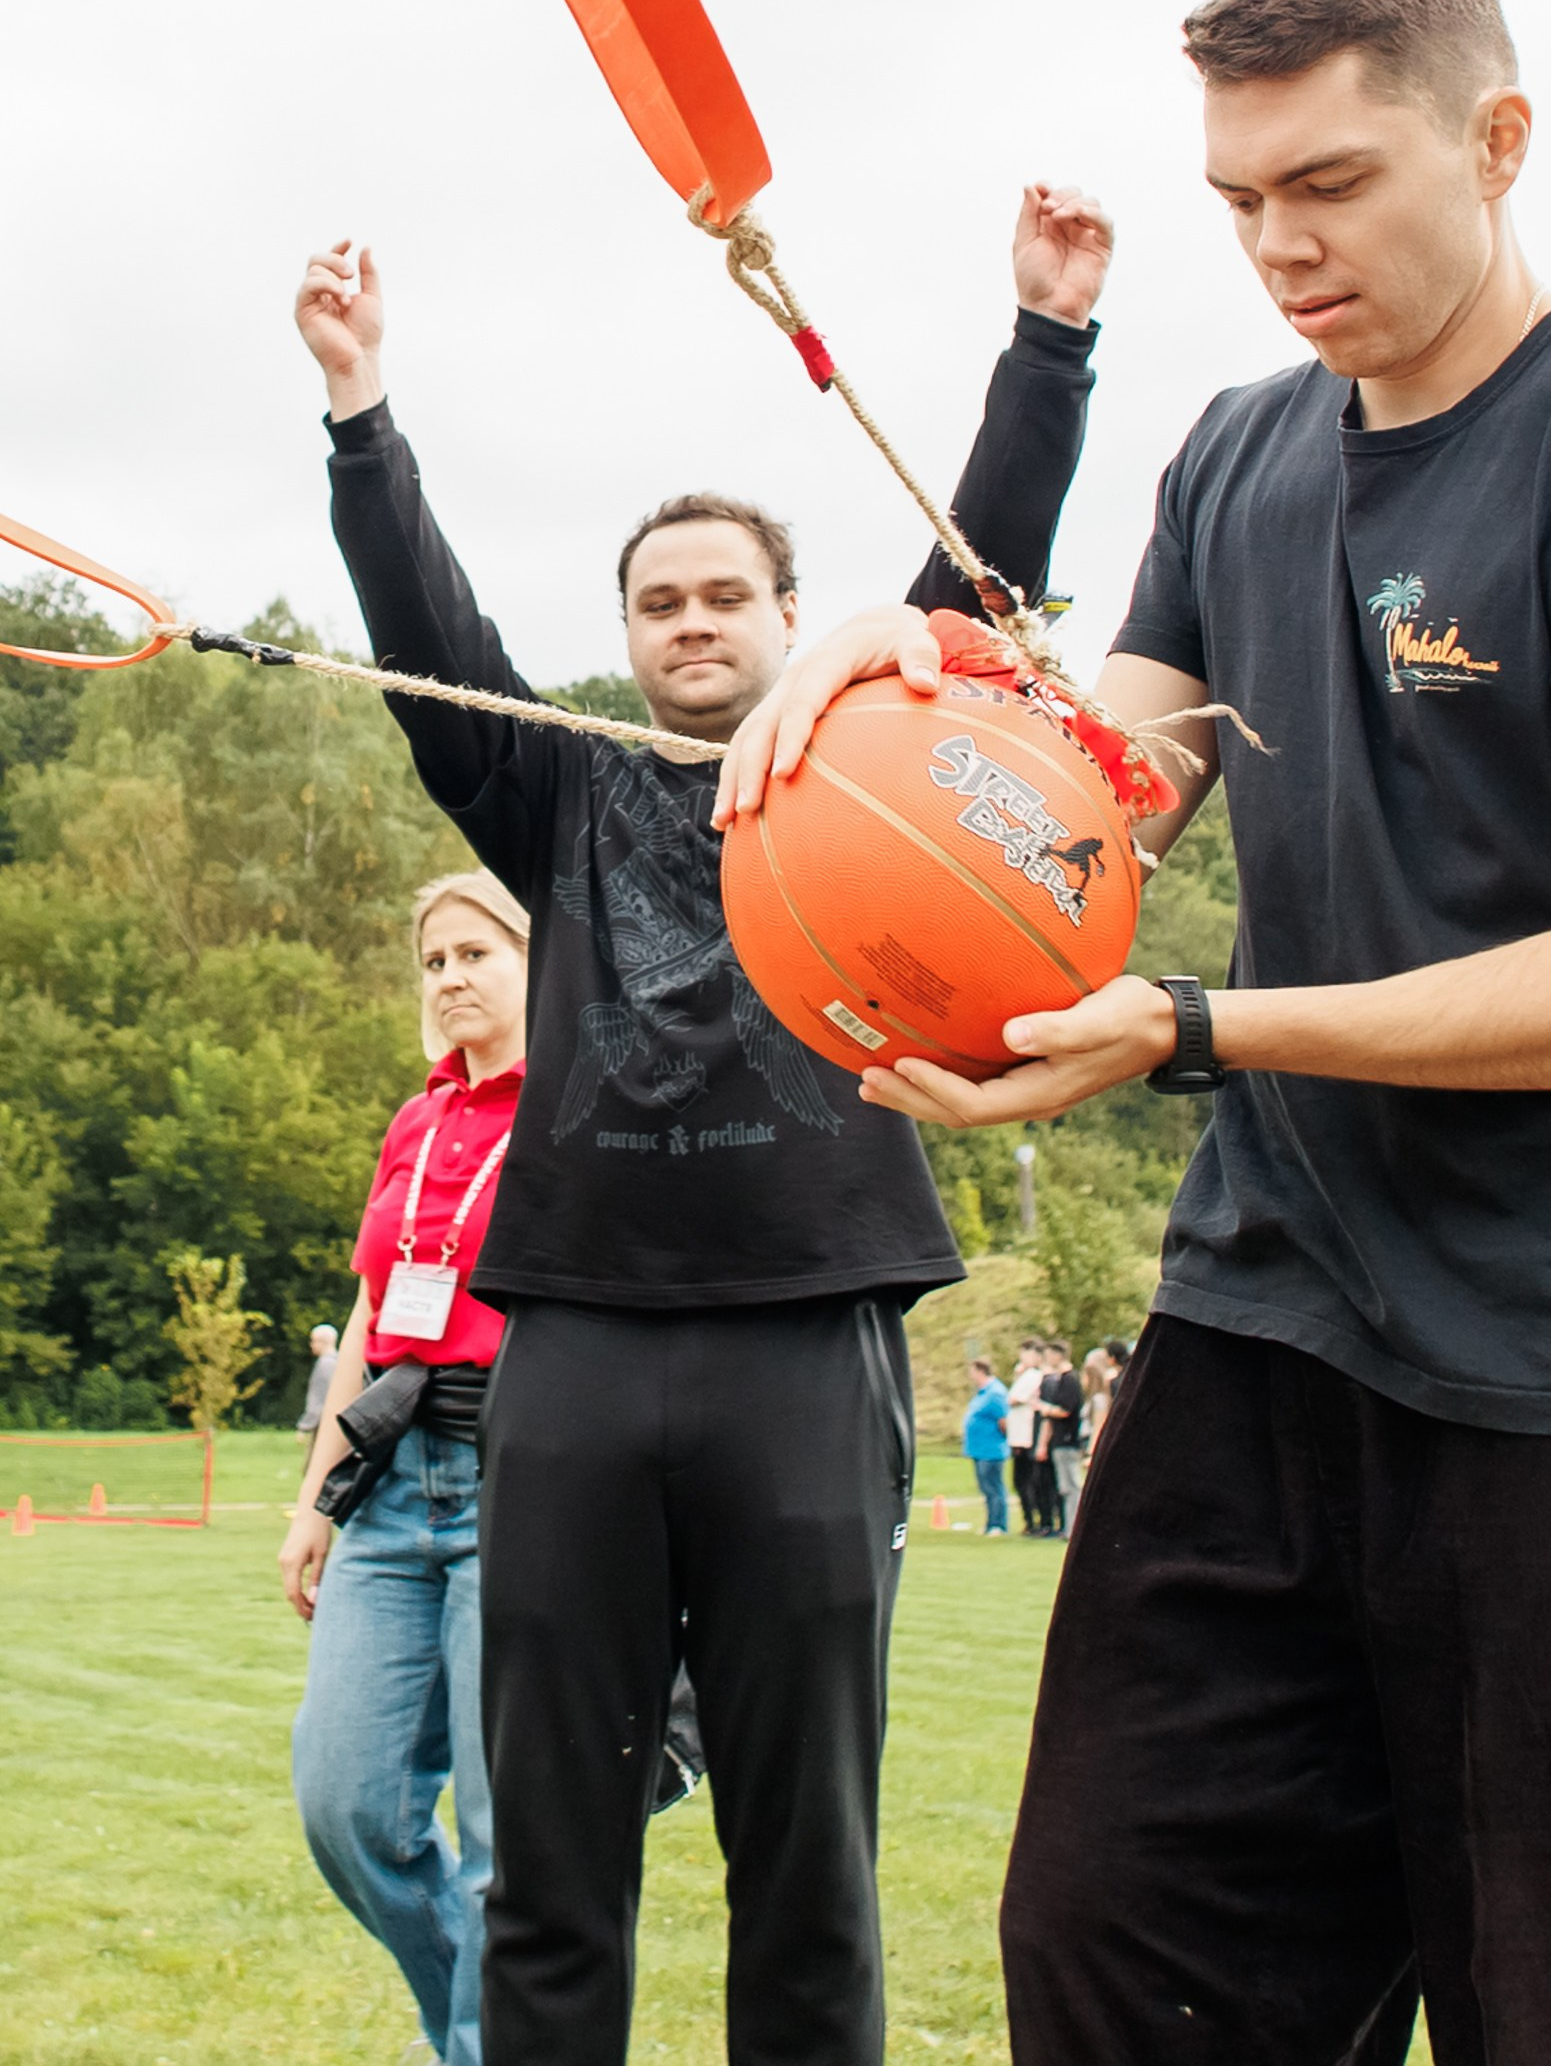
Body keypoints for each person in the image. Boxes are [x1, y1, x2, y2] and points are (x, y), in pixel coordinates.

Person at [717, 0, 1551, 2066]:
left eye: (1331, 185)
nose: (1278, 246)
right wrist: (907, 673)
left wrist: (1191, 1031)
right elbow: (1087, 808)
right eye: (1241, 202)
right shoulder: (1242, 458)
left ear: (1500, 140)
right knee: (1120, 1960)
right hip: (1271, 1325)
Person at [292, 181, 1111, 2066]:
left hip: (806, 1347)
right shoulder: (552, 792)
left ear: (789, 618)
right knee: (554, 1866)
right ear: (628, 635)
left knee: (804, 1860)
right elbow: (425, 615)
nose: (689, 623)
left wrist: (1048, 343)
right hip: (569, 1352)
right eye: (656, 602)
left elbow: (980, 571)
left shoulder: (866, 775)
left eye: (724, 594)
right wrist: (361, 408)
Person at [281, 868, 528, 2066]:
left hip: (514, 1491)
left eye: (476, 953)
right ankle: (472, 2030)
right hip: (386, 1492)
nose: (451, 979)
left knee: (502, 1843)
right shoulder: (415, 1123)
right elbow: (375, 1309)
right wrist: (314, 1503)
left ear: (536, 965)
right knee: (347, 1808)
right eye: (434, 962)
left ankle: (485, 2048)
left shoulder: (577, 1116)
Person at [1034, 1339, 1084, 1536]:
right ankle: (1068, 1526)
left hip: (1067, 1439)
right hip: (1059, 1441)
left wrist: (1043, 1407)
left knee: (1072, 1486)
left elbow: (1066, 1410)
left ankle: (1074, 1528)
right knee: (1064, 1487)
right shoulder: (1060, 1380)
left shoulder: (1070, 1380)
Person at [1006, 1339, 1054, 1536]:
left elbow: (1015, 1399)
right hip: (1017, 1435)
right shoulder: (1024, 1375)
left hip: (1025, 1436)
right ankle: (1030, 1520)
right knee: (1020, 1482)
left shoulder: (1034, 1375)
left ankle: (1035, 1521)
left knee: (1027, 1482)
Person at [962, 1358, 1011, 1533]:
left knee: (994, 1487)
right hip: (979, 1449)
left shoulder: (995, 1393)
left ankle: (999, 1524)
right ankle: (990, 1522)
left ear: (980, 1371)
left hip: (991, 1449)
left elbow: (1003, 1421)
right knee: (986, 1488)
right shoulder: (982, 1393)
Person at [295, 1320, 339, 1468]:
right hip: (334, 1425)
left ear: (323, 1342)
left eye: (313, 1341)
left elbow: (318, 1398)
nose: (311, 1345)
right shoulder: (338, 1362)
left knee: (313, 1467)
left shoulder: (325, 1365)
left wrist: (304, 1427)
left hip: (322, 1426)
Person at [1078, 1346, 1118, 1460]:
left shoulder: (1100, 1398)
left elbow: (1098, 1425)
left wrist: (1091, 1453)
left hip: (1092, 1444)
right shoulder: (1092, 1397)